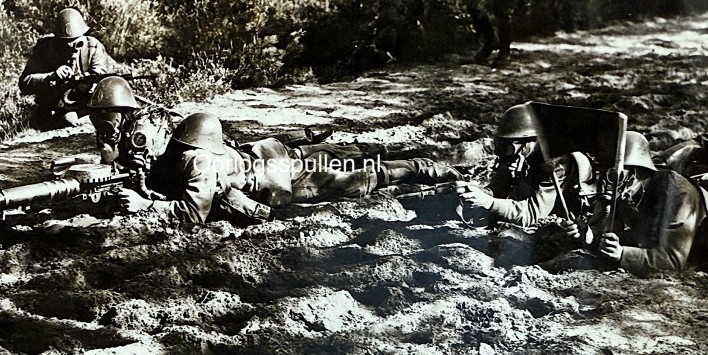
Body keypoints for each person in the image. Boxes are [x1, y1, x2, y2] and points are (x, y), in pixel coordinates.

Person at [115, 112, 459, 225]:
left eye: (144, 140)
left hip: (281, 176)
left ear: (163, 134)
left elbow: (194, 213)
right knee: (342, 156)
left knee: (362, 178)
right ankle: (395, 154)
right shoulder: (178, 147)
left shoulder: (196, 158)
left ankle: (421, 167)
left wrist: (147, 205)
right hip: (271, 155)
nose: (139, 148)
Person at [559, 131, 705, 276]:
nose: (606, 180)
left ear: (638, 171)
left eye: (613, 173)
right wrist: (589, 236)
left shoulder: (677, 194)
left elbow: (673, 260)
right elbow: (621, 238)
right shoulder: (626, 191)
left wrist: (622, 254)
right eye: (603, 171)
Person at [456, 103, 596, 228]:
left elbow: (532, 216)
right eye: (501, 143)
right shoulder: (516, 152)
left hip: (569, 211)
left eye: (509, 145)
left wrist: (490, 203)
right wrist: (474, 192)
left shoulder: (557, 163)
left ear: (529, 141)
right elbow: (498, 188)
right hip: (533, 199)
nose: (504, 150)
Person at [19, 7, 119, 129]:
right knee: (68, 119)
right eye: (65, 42)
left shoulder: (93, 47)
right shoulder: (45, 49)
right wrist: (52, 76)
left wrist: (88, 84)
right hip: (56, 107)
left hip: (87, 104)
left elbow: (102, 78)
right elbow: (25, 83)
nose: (71, 45)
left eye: (76, 40)